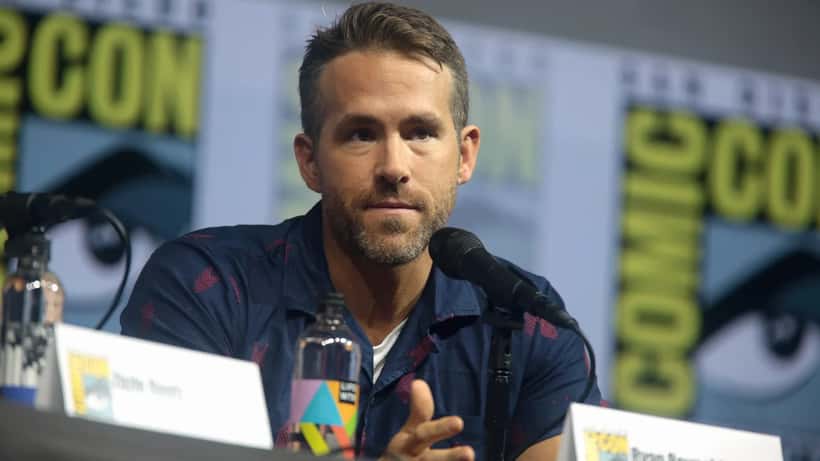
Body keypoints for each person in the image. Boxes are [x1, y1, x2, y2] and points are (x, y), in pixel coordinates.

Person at [121, 2, 601, 460]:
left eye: (420, 133)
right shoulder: (208, 288)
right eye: (361, 134)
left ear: (465, 155)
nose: (393, 167)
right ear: (310, 161)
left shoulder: (527, 322)